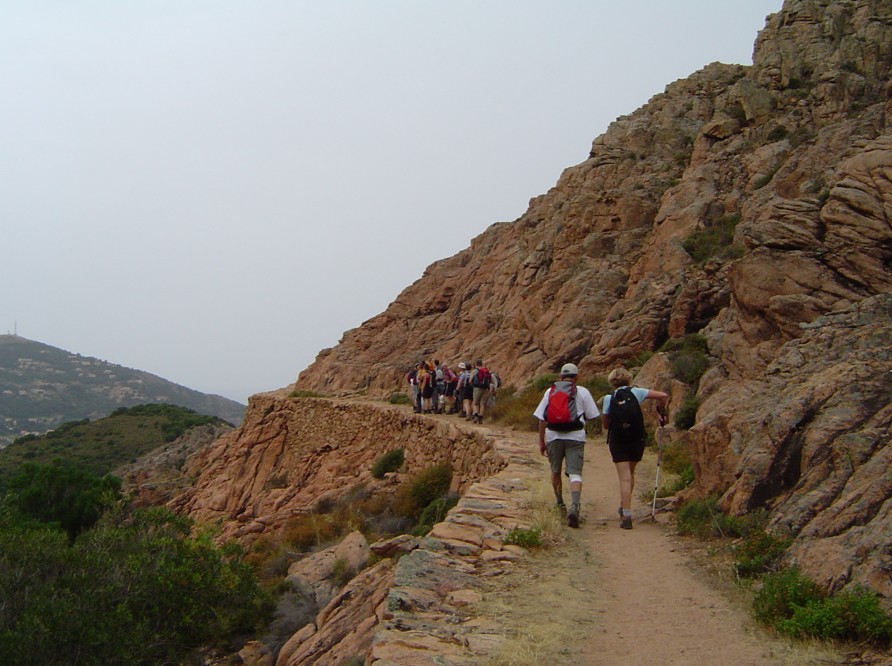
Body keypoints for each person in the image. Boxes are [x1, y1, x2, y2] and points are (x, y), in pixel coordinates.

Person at [601, 367, 669, 530]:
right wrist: (662, 412)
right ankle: (624, 507)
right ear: (628, 379)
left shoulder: (609, 398)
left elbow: (605, 424)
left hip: (618, 441)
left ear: (611, 382)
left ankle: (627, 515)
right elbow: (663, 395)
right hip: (637, 438)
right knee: (630, 474)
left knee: (624, 477)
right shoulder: (637, 392)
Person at [533, 363, 600, 528]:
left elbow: (542, 419)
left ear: (561, 377)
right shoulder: (583, 392)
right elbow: (593, 415)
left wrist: (542, 441)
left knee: (555, 471)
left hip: (553, 436)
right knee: (575, 473)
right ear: (576, 377)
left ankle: (560, 503)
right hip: (576, 437)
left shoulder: (550, 392)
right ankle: (575, 506)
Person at [470, 359, 492, 424]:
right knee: (482, 404)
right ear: (482, 364)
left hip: (477, 387)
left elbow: (470, 380)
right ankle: (481, 417)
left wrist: (472, 385)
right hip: (485, 388)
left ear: (476, 364)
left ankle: (476, 416)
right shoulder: (486, 371)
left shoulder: (474, 371)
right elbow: (489, 380)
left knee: (475, 403)